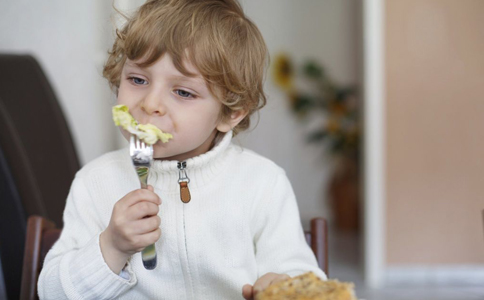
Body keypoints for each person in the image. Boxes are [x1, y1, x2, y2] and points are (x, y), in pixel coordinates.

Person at [38, 0, 326, 299]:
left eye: (183, 92)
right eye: (137, 79)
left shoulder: (263, 183)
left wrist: (281, 286)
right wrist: (111, 246)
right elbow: (51, 292)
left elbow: (303, 278)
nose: (150, 104)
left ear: (231, 113)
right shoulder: (95, 184)